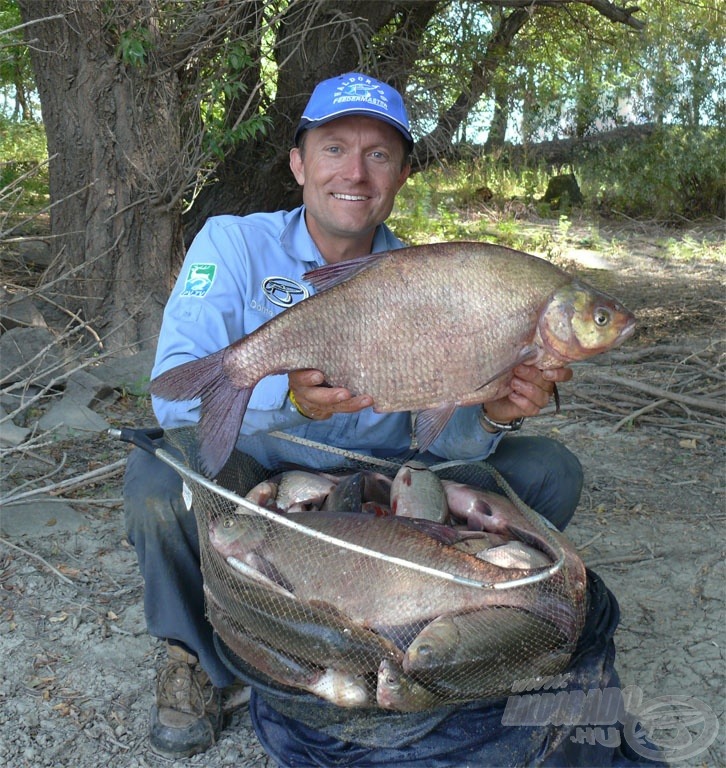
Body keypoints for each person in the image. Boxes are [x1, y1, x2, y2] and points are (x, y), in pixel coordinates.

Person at [123, 73, 635, 766]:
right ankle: (191, 653)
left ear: (399, 176)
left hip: (387, 471)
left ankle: (424, 624)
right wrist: (287, 399)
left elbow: (442, 441)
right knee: (158, 483)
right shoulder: (234, 245)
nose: (355, 173)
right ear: (300, 163)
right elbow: (173, 401)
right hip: (260, 457)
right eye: (335, 148)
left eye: (380, 155)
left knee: (550, 472)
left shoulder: (427, 275)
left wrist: (494, 414)